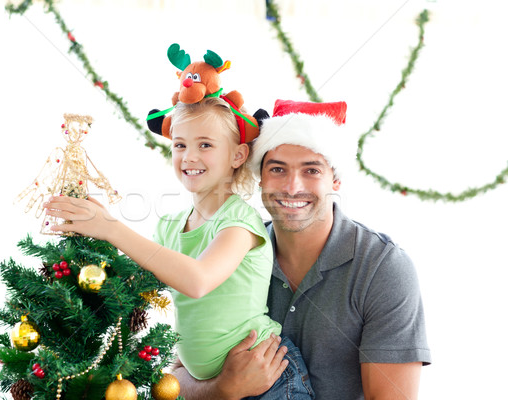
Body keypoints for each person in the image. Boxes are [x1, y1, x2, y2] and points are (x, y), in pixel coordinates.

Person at [43, 97, 314, 399]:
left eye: (205, 145)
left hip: (270, 377)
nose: (189, 157)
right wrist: (90, 246)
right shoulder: (169, 226)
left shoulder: (239, 221)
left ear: (238, 155)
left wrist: (111, 227)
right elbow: (136, 286)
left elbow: (197, 281)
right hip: (210, 386)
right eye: (180, 145)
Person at [171, 99, 431, 400]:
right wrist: (221, 389)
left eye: (311, 171)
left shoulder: (382, 267)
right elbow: (178, 372)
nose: (292, 187)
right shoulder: (231, 246)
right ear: (259, 177)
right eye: (278, 169)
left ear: (335, 179)